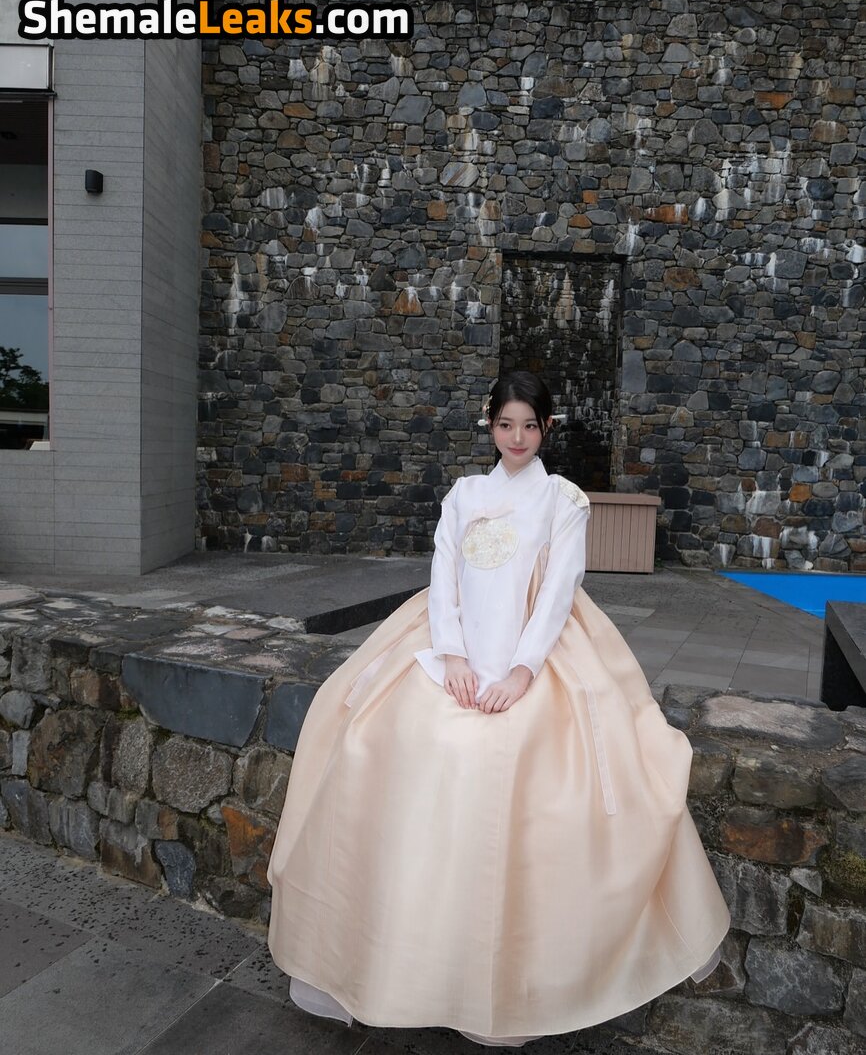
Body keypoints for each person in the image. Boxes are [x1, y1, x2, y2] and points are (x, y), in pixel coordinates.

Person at [266, 370, 731, 1047]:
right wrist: (452, 655)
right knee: (374, 735)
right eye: (506, 425)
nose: (517, 438)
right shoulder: (465, 495)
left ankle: (507, 977)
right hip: (455, 643)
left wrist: (521, 670)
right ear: (490, 425)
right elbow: (443, 578)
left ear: (546, 429)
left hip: (534, 647)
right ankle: (400, 952)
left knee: (518, 762)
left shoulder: (564, 500)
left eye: (529, 426)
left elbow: (560, 591)